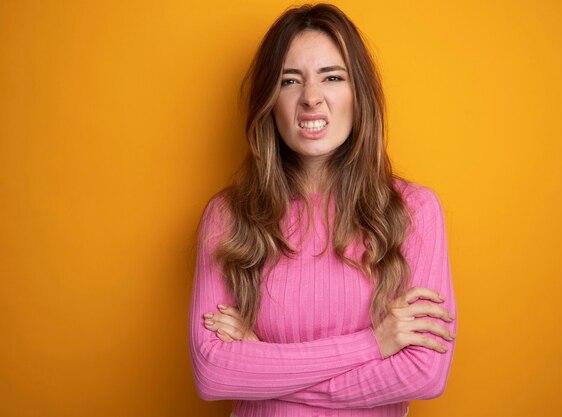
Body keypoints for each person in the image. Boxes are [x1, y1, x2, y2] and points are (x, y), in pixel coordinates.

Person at [188, 4, 457, 417]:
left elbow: (424, 373)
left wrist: (263, 365)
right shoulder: (228, 216)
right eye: (289, 80)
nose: (311, 98)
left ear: (358, 94)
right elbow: (213, 374)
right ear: (269, 101)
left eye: (332, 77)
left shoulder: (415, 211)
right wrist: (374, 344)